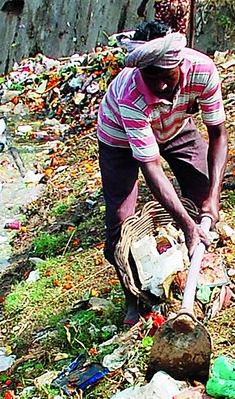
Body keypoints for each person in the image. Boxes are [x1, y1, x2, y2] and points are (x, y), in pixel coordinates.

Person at [97, 32, 227, 325]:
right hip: (119, 138)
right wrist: (187, 225)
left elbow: (218, 134)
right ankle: (133, 298)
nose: (161, 85)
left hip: (176, 126)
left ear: (180, 63)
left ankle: (200, 274)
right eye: (151, 78)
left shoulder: (203, 71)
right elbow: (151, 166)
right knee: (121, 219)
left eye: (167, 76)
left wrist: (213, 197)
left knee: (202, 190)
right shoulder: (130, 94)